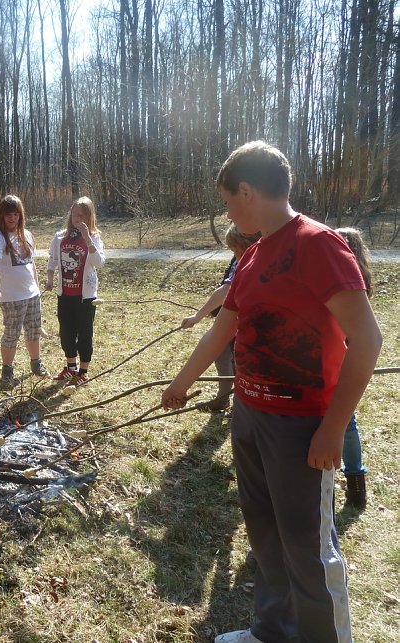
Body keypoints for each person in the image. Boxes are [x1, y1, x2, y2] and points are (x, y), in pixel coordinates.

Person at [161, 141, 381, 643]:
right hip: (250, 416)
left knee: (307, 546)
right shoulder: (254, 255)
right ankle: (271, 632)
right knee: (264, 533)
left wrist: (332, 428)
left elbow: (367, 339)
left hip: (301, 428)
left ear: (247, 192)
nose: (228, 213)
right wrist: (181, 383)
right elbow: (223, 329)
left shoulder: (317, 244)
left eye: (228, 201)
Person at [179, 224, 260, 411]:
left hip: (244, 323)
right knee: (222, 354)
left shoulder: (253, 262)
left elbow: (226, 290)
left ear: (248, 246)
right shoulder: (240, 261)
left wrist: (198, 315)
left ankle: (240, 405)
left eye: (236, 250)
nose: (235, 256)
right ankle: (223, 397)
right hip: (231, 317)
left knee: (240, 362)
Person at [0, 194, 48, 385]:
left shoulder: (27, 235)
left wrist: (36, 287)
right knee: (12, 334)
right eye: (8, 214)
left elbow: (31, 265)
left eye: (16, 214)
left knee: (34, 330)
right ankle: (7, 371)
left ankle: (36, 363)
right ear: (1, 215)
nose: (12, 218)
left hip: (32, 294)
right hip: (11, 296)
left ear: (21, 215)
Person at [44, 196, 106, 387]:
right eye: (75, 215)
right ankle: (71, 367)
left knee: (85, 334)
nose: (78, 219)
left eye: (82, 216)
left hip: (86, 297)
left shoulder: (94, 237)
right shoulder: (60, 236)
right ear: (70, 214)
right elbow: (53, 260)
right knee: (66, 333)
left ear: (89, 217)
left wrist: (87, 239)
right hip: (65, 295)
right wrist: (49, 278)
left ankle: (83, 372)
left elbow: (99, 263)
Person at [335, 227, 373, 509]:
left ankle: (354, 485)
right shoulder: (360, 280)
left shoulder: (345, 281)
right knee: (347, 421)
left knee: (345, 422)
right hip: (349, 357)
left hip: (339, 357)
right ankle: (355, 485)